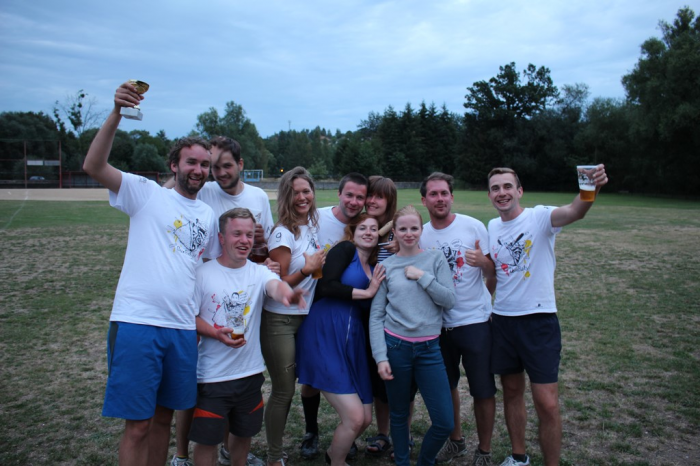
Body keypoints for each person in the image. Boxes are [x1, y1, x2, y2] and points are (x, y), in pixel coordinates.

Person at [83, 81, 220, 466]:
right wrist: (116, 113)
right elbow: (93, 166)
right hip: (138, 322)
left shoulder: (208, 215)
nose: (198, 170)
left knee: (164, 420)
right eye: (191, 162)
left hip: (181, 329)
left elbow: (208, 266)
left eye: (204, 164)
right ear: (174, 165)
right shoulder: (146, 194)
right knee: (138, 426)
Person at [486, 166, 608, 466]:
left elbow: (575, 211)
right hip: (503, 321)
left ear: (519, 191)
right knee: (511, 392)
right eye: (495, 188)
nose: (502, 193)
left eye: (507, 186)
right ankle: (519, 457)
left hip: (539, 321)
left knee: (547, 403)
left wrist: (590, 188)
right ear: (489, 195)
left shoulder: (539, 217)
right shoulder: (492, 227)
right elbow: (495, 275)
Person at [169, 136, 274, 466]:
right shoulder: (205, 189)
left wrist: (265, 264)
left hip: (241, 286)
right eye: (213, 166)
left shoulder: (257, 196)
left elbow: (264, 242)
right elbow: (175, 191)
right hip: (202, 286)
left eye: (226, 166)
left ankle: (231, 449)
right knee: (200, 382)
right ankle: (182, 454)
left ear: (241, 165)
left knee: (236, 378)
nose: (219, 173)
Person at [190, 208, 306, 466]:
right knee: (207, 442)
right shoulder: (202, 274)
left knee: (243, 436)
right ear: (221, 238)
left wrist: (288, 294)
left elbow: (275, 286)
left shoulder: (259, 272)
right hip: (212, 377)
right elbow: (190, 318)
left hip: (250, 374)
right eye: (237, 234)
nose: (244, 240)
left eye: (249, 235)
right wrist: (215, 333)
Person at [418, 173, 497, 466]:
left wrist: (484, 264)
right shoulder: (421, 234)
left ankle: (484, 451)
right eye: (433, 194)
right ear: (424, 200)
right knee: (447, 386)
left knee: (482, 389)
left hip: (475, 323)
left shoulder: (472, 226)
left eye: (444, 193)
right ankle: (456, 441)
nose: (440, 199)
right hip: (438, 326)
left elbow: (492, 272)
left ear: (452, 196)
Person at [296, 214, 386, 466]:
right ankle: (337, 462)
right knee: (355, 417)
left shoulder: (375, 266)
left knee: (365, 418)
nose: (368, 232)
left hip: (353, 337)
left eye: (374, 228)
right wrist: (367, 292)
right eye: (362, 228)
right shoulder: (346, 250)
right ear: (353, 233)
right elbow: (326, 286)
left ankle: (332, 454)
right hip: (324, 330)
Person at [369, 205, 456, 466]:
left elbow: (449, 300)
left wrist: (423, 277)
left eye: (414, 228)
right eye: (403, 229)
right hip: (396, 348)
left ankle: (425, 461)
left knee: (444, 421)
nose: (409, 233)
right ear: (394, 232)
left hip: (429, 350)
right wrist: (380, 357)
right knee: (398, 414)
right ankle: (402, 461)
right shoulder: (386, 266)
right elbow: (376, 316)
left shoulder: (435, 259)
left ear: (421, 230)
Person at [299, 172, 368, 459]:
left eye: (360, 197)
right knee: (311, 378)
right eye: (349, 195)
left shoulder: (362, 226)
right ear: (339, 194)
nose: (353, 201)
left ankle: (347, 431)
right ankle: (311, 430)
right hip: (310, 302)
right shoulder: (318, 218)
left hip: (341, 309)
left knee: (342, 369)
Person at [261, 167, 326, 466]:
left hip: (305, 317)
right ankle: (275, 457)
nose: (302, 197)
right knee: (283, 390)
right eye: (295, 192)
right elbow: (279, 282)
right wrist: (308, 270)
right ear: (286, 196)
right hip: (280, 320)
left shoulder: (310, 227)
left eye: (306, 191)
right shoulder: (282, 233)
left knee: (302, 384)